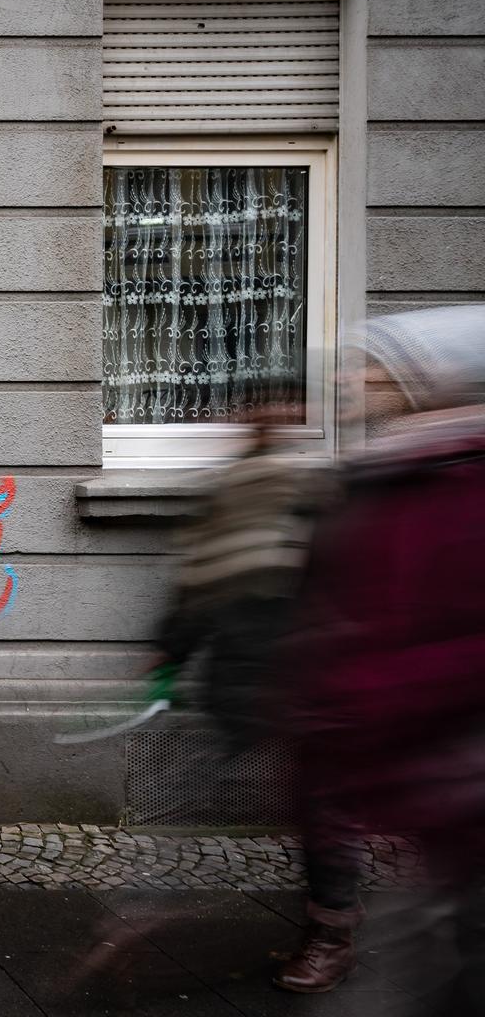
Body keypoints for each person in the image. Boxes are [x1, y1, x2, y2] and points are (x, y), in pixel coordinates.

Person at [289, 306, 485, 1012]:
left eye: (367, 367)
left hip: (441, 769)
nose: (347, 379)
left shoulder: (452, 482)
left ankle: (333, 936)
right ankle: (332, 931)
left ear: (416, 383)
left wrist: (354, 703)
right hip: (390, 754)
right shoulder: (379, 475)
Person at [149, 393, 367, 993]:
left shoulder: (312, 494)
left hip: (303, 672)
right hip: (244, 673)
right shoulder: (235, 489)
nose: (260, 420)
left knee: (319, 807)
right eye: (254, 412)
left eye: (272, 412)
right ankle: (153, 908)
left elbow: (341, 583)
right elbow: (200, 577)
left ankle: (332, 933)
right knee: (222, 787)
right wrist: (173, 645)